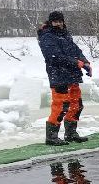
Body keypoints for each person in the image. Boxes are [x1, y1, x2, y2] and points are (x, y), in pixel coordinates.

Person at [38, 11, 92, 146]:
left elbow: (76, 50)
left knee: (76, 104)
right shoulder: (47, 36)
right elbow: (54, 57)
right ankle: (51, 137)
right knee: (61, 106)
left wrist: (85, 62)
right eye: (55, 21)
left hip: (72, 74)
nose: (58, 24)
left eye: (60, 21)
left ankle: (71, 133)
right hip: (58, 75)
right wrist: (76, 63)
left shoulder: (65, 34)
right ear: (51, 22)